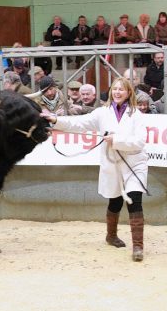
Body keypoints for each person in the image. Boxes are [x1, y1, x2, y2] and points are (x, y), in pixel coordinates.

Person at [42, 77, 148, 261]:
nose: (117, 92)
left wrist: (116, 140)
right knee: (114, 202)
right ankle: (111, 235)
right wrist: (55, 119)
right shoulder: (102, 112)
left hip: (134, 164)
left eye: (121, 89)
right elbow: (79, 124)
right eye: (114, 89)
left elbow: (139, 141)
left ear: (129, 92)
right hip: (112, 163)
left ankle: (138, 247)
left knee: (134, 200)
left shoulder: (136, 115)